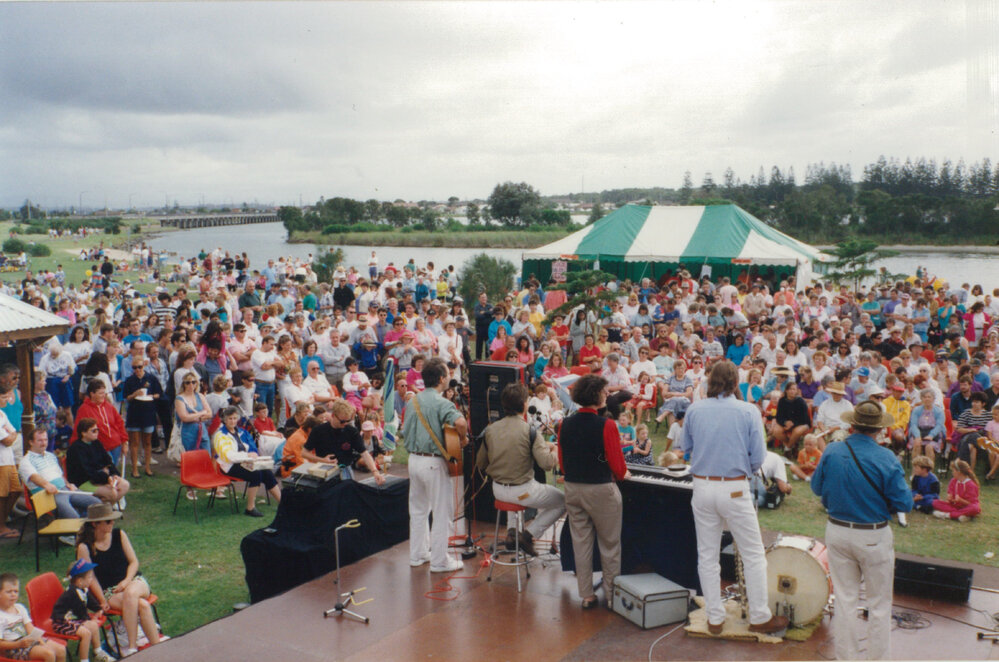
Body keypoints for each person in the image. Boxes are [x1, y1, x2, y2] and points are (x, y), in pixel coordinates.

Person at [680, 360, 787, 635]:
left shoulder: (695, 409)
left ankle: (715, 618)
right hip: (735, 487)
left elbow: (686, 449)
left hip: (702, 486)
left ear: (711, 380)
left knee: (707, 555)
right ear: (734, 382)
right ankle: (760, 616)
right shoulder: (748, 410)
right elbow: (759, 457)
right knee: (753, 554)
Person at [810, 400, 913, 660]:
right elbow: (905, 503)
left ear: (852, 424)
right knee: (878, 605)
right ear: (879, 430)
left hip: (838, 531)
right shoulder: (886, 457)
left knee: (845, 601)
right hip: (873, 535)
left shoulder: (833, 450)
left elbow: (816, 488)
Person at [558, 374, 630, 610]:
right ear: (596, 395)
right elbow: (618, 465)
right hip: (600, 489)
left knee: (581, 542)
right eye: (604, 392)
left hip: (573, 488)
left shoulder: (565, 424)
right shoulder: (607, 425)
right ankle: (611, 596)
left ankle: (586, 594)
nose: (607, 395)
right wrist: (622, 475)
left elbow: (562, 462)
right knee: (609, 545)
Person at [476, 383, 564, 557]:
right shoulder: (530, 431)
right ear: (525, 405)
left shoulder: (490, 430)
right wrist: (554, 451)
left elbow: (481, 464)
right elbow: (546, 464)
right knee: (563, 501)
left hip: (498, 490)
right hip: (522, 492)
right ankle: (527, 536)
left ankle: (512, 534)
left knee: (513, 482)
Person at [401, 358, 468, 573]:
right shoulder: (443, 402)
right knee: (440, 512)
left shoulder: (413, 401)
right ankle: (440, 561)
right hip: (433, 461)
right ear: (441, 379)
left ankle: (418, 554)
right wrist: (463, 439)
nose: (449, 378)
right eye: (447, 374)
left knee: (418, 510)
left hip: (413, 459)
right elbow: (460, 422)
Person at [76, 503, 162, 656]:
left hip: (134, 581)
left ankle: (132, 648)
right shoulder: (84, 547)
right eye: (108, 521)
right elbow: (91, 578)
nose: (113, 523)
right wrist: (102, 600)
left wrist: (126, 581)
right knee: (141, 605)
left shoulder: (119, 534)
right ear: (95, 524)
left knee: (131, 593)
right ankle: (158, 647)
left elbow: (134, 562)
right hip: (110, 591)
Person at [212, 406, 282, 517]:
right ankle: (250, 508)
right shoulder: (220, 435)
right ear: (225, 420)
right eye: (230, 418)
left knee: (266, 471)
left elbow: (252, 447)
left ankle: (282, 504)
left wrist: (253, 454)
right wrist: (247, 455)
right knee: (255, 474)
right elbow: (228, 456)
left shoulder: (242, 432)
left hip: (245, 462)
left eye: (235, 418)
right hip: (228, 466)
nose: (233, 421)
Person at [19, 428, 100, 519]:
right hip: (48, 496)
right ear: (31, 442)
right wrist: (47, 485)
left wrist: (68, 484)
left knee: (98, 505)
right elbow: (34, 477)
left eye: (45, 440)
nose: (44, 443)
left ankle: (89, 529)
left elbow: (60, 475)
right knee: (73, 517)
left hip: (64, 489)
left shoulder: (50, 456)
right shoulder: (25, 461)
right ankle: (76, 530)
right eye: (40, 440)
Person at [302, 399, 385, 484]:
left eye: (348, 421)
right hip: (324, 470)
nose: (345, 424)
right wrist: (322, 460)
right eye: (342, 421)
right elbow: (304, 453)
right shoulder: (318, 430)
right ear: (333, 415)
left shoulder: (352, 431)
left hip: (345, 469)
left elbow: (364, 453)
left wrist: (375, 472)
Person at [50, 559, 112, 662]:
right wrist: (89, 620)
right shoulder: (72, 593)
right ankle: (84, 660)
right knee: (86, 634)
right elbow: (80, 611)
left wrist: (98, 609)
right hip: (62, 621)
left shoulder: (83, 589)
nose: (92, 579)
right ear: (80, 581)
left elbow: (90, 602)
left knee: (93, 625)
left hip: (73, 619)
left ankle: (98, 652)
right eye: (90, 577)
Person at [0, 571, 67, 662]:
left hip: (28, 641)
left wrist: (41, 641)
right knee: (48, 654)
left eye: (16, 591)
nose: (13, 595)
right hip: (13, 648)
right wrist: (18, 644)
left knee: (61, 650)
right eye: (9, 592)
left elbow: (30, 628)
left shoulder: (20, 608)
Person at [65, 419, 130, 506]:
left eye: (97, 430)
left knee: (125, 485)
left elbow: (107, 460)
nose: (97, 432)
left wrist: (114, 474)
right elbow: (87, 471)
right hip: (83, 481)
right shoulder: (76, 449)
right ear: (83, 433)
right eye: (93, 431)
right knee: (112, 493)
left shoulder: (96, 443)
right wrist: (105, 477)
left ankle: (106, 507)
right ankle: (103, 510)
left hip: (100, 477)